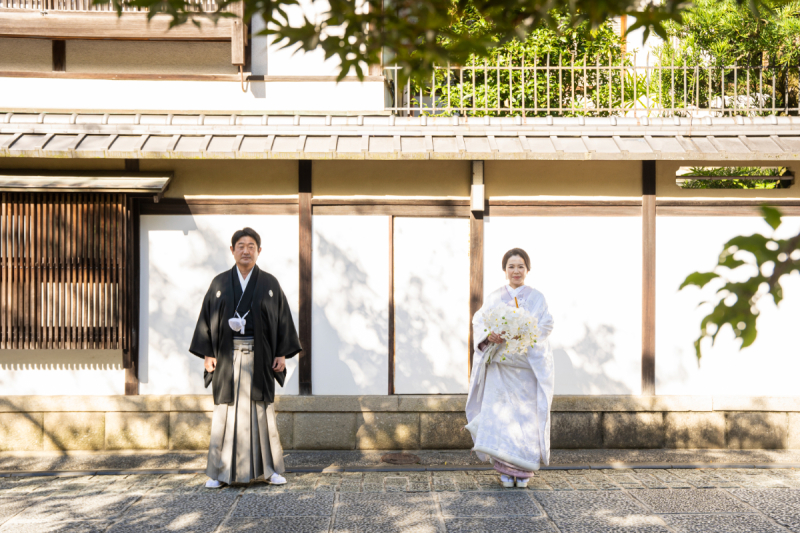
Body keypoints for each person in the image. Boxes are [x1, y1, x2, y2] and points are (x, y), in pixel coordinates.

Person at [190, 227, 302, 488]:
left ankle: (271, 469)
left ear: (259, 251)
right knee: (225, 414)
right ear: (232, 250)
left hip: (260, 357)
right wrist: (208, 353)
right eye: (240, 246)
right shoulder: (219, 284)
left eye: (251, 246)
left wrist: (282, 354)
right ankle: (219, 473)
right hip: (227, 358)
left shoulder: (270, 284)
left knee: (261, 412)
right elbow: (207, 318)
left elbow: (282, 319)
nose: (246, 250)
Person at [465, 247, 555, 488]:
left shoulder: (537, 298)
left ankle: (523, 470)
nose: (516, 271)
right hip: (501, 368)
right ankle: (505, 470)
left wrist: (525, 332)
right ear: (504, 270)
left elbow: (546, 325)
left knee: (525, 418)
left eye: (520, 266)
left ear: (527, 269)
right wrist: (490, 336)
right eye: (511, 266)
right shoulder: (494, 297)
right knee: (501, 416)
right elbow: (479, 321)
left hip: (525, 368)